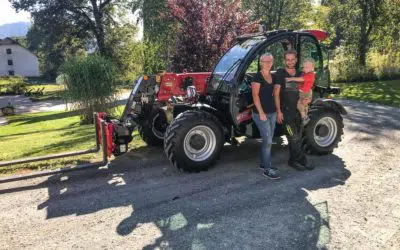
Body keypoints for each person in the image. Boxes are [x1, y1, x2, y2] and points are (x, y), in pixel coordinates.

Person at [274, 50, 314, 171]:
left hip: (298, 111)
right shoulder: (281, 74)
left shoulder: (301, 74)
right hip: (286, 112)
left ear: (296, 60)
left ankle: (296, 160)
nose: (290, 61)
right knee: (293, 137)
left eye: (292, 59)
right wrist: (278, 111)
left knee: (299, 137)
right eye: (288, 59)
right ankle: (298, 160)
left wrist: (307, 100)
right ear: (284, 60)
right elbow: (276, 94)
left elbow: (307, 89)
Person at [251, 53, 280, 179]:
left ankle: (264, 164)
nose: (268, 63)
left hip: (272, 112)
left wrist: (278, 110)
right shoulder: (257, 77)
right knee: (268, 140)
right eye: (265, 61)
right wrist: (261, 113)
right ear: (261, 62)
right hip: (260, 114)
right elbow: (255, 96)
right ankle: (267, 169)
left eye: (270, 61)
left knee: (268, 139)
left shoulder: (272, 77)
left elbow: (275, 94)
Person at [285, 59, 315, 124]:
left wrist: (291, 79)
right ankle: (305, 116)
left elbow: (301, 79)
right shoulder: (304, 73)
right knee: (304, 105)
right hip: (302, 92)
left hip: (306, 93)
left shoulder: (310, 75)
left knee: (300, 104)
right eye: (303, 67)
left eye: (306, 67)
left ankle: (304, 117)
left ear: (312, 68)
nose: (304, 69)